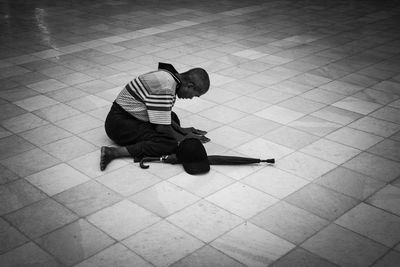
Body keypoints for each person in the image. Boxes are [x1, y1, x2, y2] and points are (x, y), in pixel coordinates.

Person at [100, 62, 211, 171]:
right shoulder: (166, 87)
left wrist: (182, 131)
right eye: (195, 95)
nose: (191, 98)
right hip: (119, 125)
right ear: (189, 86)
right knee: (167, 144)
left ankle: (147, 142)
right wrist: (184, 139)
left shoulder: (169, 77)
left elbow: (164, 116)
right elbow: (162, 128)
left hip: (127, 117)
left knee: (173, 117)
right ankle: (114, 152)